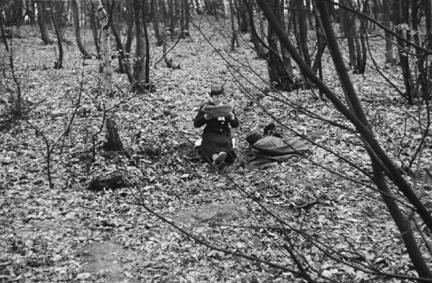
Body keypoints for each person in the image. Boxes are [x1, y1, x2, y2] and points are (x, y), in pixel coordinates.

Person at [194, 85, 239, 169]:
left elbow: (235, 125)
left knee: (225, 142)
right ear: (211, 97)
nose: (218, 99)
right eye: (216, 97)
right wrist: (205, 117)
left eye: (221, 97)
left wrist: (232, 116)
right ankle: (217, 159)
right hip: (210, 131)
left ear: (223, 98)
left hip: (224, 132)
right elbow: (196, 124)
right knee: (209, 141)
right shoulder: (206, 107)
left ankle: (220, 158)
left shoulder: (227, 107)